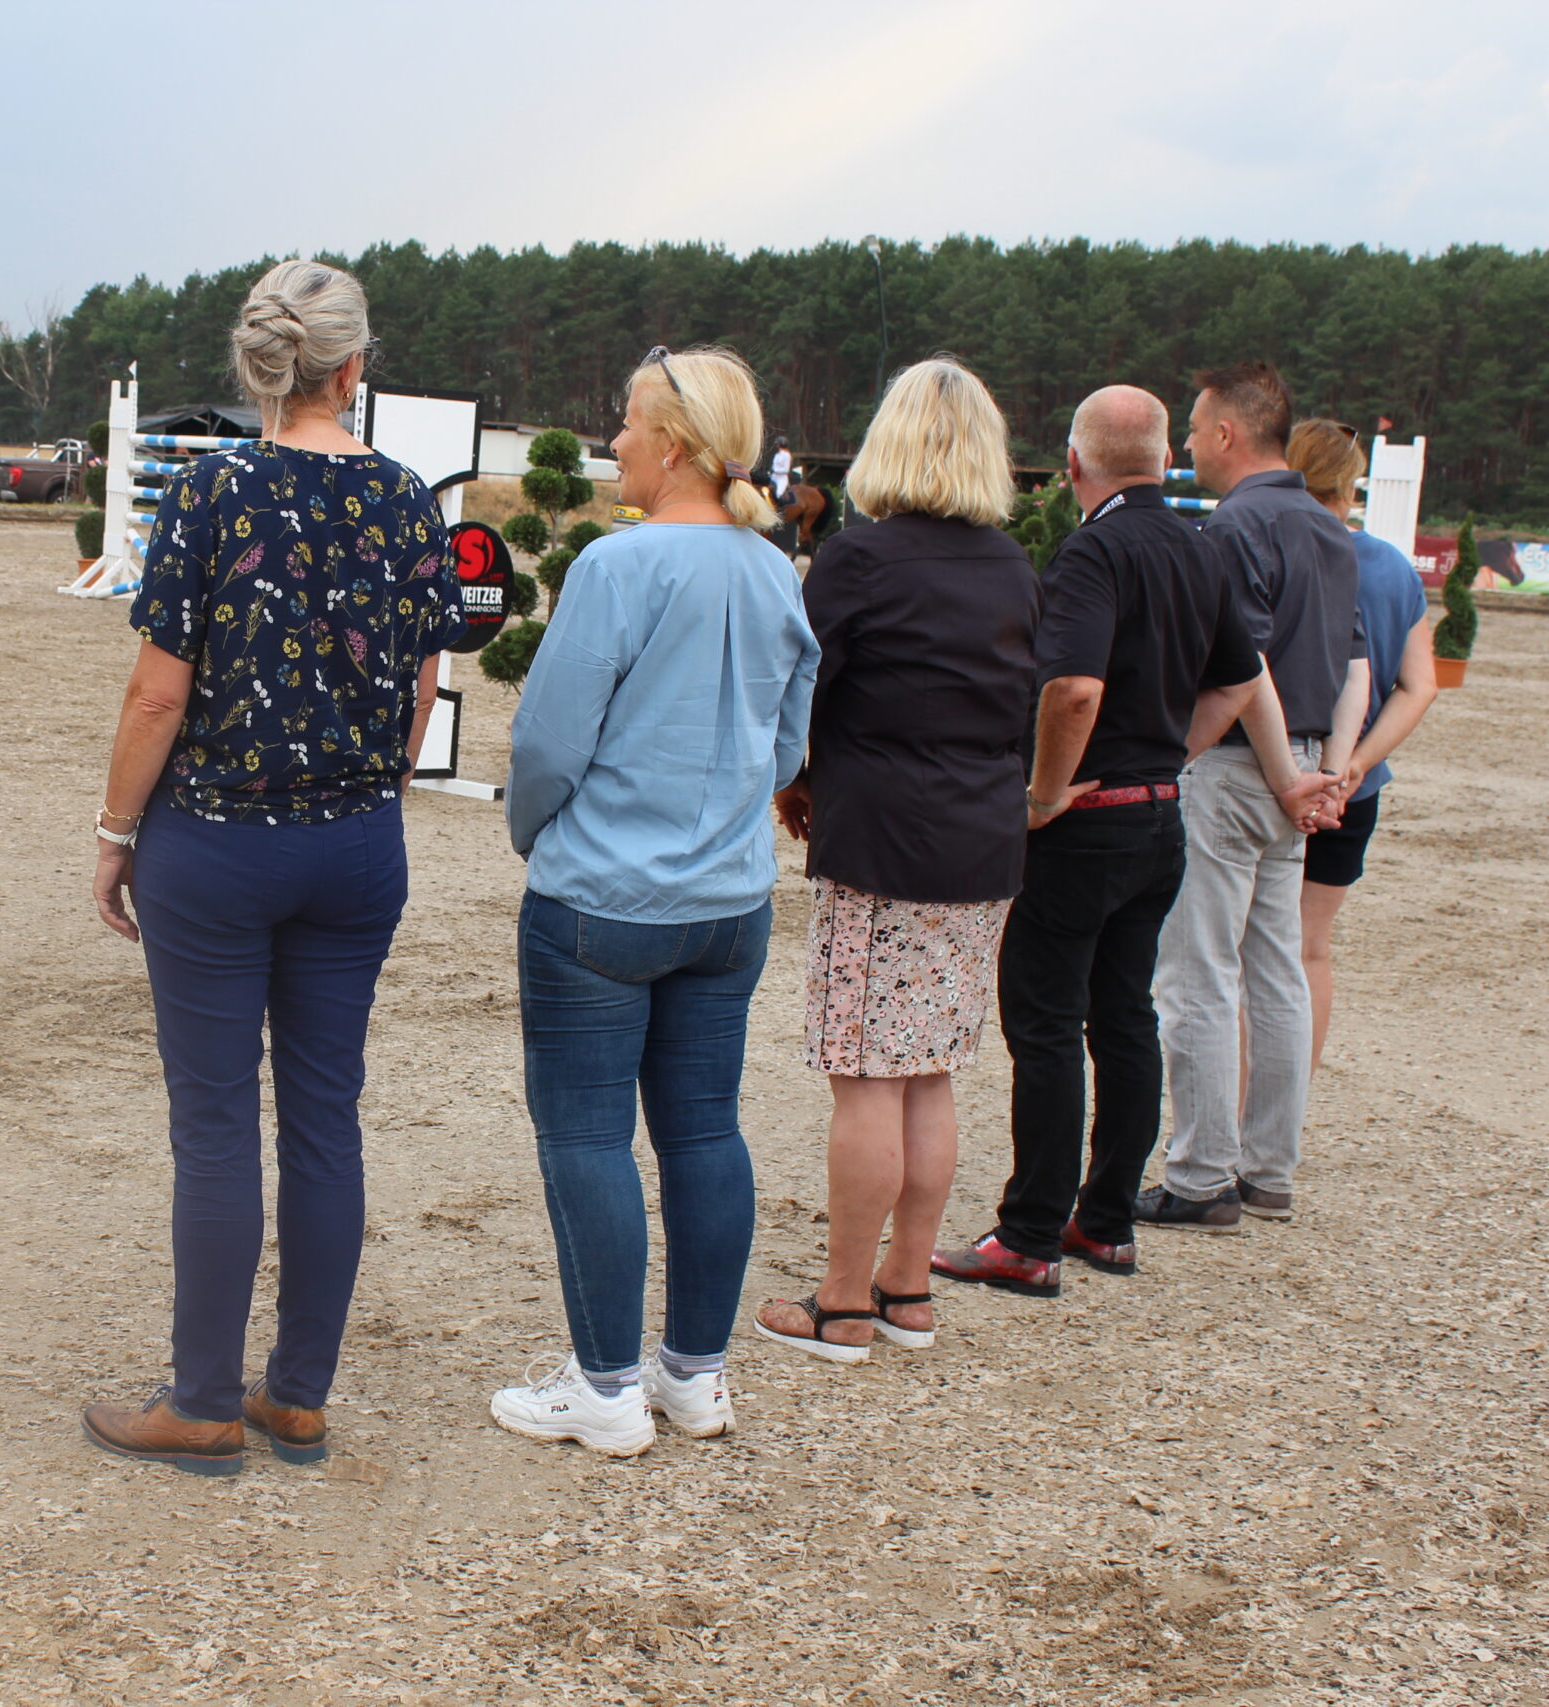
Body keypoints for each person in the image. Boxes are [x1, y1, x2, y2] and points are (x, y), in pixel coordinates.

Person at [79, 259, 465, 1475]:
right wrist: (370, 795)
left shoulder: (211, 489)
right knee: (324, 1119)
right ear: (352, 371)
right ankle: (296, 1395)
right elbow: (421, 687)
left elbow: (157, 695)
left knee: (214, 1125)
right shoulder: (406, 500)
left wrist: (114, 832)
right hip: (353, 844)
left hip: (216, 840)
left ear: (261, 367)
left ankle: (201, 1400)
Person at [487, 348, 817, 1455]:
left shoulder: (616, 566)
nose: (615, 442)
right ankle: (696, 1375)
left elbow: (547, 741)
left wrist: (534, 832)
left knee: (587, 1135)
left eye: (627, 424)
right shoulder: (774, 571)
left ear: (672, 446)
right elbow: (789, 745)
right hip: (727, 903)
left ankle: (606, 1387)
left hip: (602, 898)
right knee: (705, 1129)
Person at [931, 388, 1263, 1298]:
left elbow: (1073, 688)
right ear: (1167, 460)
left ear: (1074, 463)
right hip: (1158, 815)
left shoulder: (1094, 550)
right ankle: (1106, 1218)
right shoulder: (1201, 547)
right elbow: (1239, 679)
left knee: (1045, 1022)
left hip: (1086, 820)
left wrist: (1043, 794)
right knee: (1124, 1017)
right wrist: (1170, 755)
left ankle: (1029, 1232)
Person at [756, 357, 1040, 1361]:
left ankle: (841, 1302)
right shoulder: (1014, 566)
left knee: (868, 1074)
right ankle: (907, 1285)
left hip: (884, 844)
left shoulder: (859, 558)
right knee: (930, 1072)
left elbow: (800, 687)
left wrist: (796, 779)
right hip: (983, 843)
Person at [1140, 365, 1370, 1233]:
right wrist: (1327, 773)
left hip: (1243, 765)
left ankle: (1202, 1173)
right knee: (1276, 967)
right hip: (1303, 760)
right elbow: (1356, 667)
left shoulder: (1236, 525)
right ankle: (1270, 1168)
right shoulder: (1329, 526)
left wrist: (1282, 775)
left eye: (1196, 428)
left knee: (1199, 969)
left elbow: (1247, 665)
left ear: (1228, 434)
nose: (1188, 444)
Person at [1284, 418, 1437, 1075]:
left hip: (1275, 775)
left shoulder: (1274, 545)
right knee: (1310, 948)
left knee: (1246, 954)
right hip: (1352, 789)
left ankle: (1238, 1106)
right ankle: (1292, 1101)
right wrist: (1358, 763)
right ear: (1351, 484)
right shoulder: (1394, 568)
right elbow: (1419, 686)